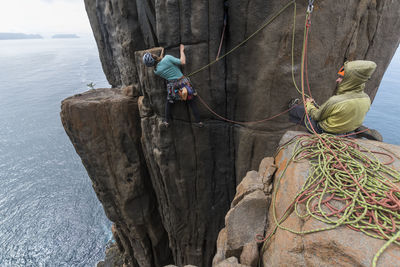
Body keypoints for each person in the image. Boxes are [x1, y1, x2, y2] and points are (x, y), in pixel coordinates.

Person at [289, 60, 380, 138]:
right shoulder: (366, 98)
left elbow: (316, 116)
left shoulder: (336, 101)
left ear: (350, 80)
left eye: (341, 77)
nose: (337, 80)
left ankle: (291, 107)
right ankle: (356, 129)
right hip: (347, 132)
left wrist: (309, 104)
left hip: (326, 132)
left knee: (298, 111)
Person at [142, 44, 203, 127]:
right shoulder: (167, 58)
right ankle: (199, 122)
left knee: (169, 102)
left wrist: (162, 53)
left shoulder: (156, 71)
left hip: (172, 87)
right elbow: (182, 61)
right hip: (183, 83)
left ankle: (167, 121)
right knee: (191, 101)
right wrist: (182, 50)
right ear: (153, 56)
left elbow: (161, 62)